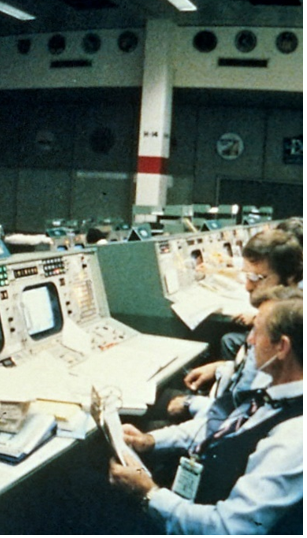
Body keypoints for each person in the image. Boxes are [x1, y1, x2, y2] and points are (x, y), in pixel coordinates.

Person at [109, 290, 303, 534]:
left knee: (87, 487)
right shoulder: (272, 384)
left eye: (257, 331)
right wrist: (150, 440)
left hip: (199, 517)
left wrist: (149, 493)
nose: (250, 340)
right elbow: (216, 424)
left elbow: (229, 528)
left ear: (282, 347)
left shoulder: (294, 437)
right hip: (194, 493)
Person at [169, 229, 302, 420]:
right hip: (223, 398)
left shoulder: (282, 333)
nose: (247, 285)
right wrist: (222, 367)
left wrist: (191, 403)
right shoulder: (274, 315)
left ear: (289, 278)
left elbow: (240, 415)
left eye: (257, 278)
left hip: (220, 415)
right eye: (247, 276)